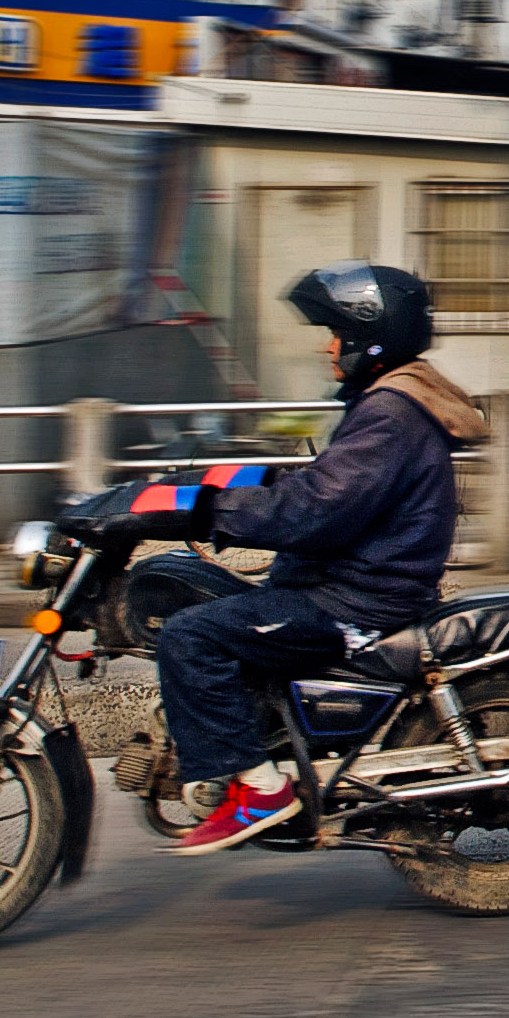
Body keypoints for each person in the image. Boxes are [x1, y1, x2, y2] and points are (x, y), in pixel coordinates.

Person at [115, 262, 485, 852]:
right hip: (343, 586)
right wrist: (199, 483)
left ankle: (260, 791)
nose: (328, 346)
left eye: (337, 333)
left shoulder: (389, 415)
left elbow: (314, 510)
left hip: (354, 602)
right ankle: (258, 758)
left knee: (191, 635)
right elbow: (328, 486)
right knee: (216, 603)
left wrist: (207, 511)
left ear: (371, 337)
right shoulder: (387, 404)